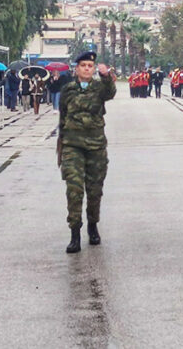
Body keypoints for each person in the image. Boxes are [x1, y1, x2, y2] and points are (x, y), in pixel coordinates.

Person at [57, 51, 117, 253]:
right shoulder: (68, 90)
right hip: (73, 146)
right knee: (74, 191)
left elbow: (111, 93)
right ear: (76, 69)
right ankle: (74, 233)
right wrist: (61, 144)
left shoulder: (100, 88)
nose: (86, 69)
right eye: (83, 65)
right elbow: (62, 116)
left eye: (90, 66)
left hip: (95, 146)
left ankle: (93, 225)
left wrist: (106, 76)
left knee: (94, 190)